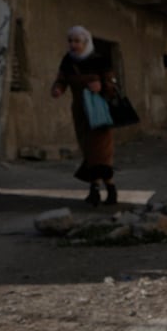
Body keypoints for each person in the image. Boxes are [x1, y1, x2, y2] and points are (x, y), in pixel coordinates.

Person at [51, 26, 120, 206]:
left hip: (99, 111)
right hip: (80, 112)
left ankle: (110, 190)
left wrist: (102, 87)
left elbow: (111, 84)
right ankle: (95, 191)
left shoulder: (99, 60)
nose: (73, 45)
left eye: (77, 41)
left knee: (101, 153)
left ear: (86, 42)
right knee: (89, 151)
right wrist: (58, 88)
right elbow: (62, 79)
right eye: (70, 41)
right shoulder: (68, 61)